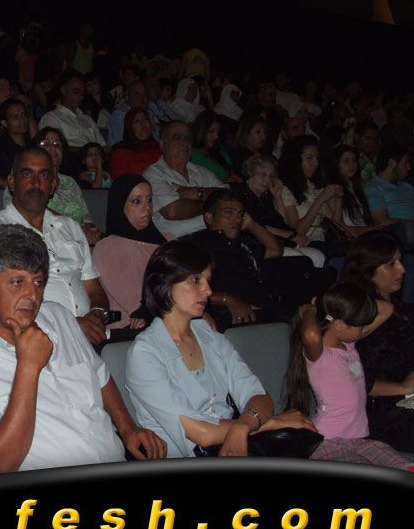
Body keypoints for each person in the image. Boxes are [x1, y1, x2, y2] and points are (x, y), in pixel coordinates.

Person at [0, 224, 167, 472]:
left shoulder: (59, 317)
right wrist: (28, 367)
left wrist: (128, 428)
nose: (33, 295)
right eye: (17, 282)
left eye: (38, 282)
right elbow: (3, 462)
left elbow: (100, 377)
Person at [125, 240, 316, 458]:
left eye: (207, 280)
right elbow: (202, 433)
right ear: (165, 284)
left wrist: (243, 426)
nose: (207, 290)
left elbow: (260, 397)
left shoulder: (209, 335)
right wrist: (268, 423)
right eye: (195, 280)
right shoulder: (145, 353)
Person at [0, 147, 110, 346]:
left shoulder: (71, 228)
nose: (36, 183)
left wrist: (97, 314)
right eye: (27, 174)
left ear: (53, 185)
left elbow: (94, 289)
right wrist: (68, 327)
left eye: (44, 175)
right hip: (25, 342)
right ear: (12, 182)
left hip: (89, 339)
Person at [286, 283, 412, 469]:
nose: (365, 330)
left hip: (360, 440)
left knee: (406, 468)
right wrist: (310, 311)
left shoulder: (349, 345)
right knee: (363, 472)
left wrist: (333, 303)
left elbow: (387, 308)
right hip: (327, 440)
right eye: (361, 326)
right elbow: (311, 335)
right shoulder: (320, 356)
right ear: (339, 325)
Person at [185, 189, 332, 331]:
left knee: (318, 276)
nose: (237, 219)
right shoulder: (198, 244)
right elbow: (183, 285)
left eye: (240, 214)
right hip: (234, 313)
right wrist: (228, 299)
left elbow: (276, 250)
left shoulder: (242, 243)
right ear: (209, 217)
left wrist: (251, 224)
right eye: (229, 213)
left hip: (263, 303)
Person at [343, 232, 414, 452]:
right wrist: (404, 387)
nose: (402, 269)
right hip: (380, 413)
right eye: (391, 264)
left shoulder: (402, 310)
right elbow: (354, 379)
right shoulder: (359, 321)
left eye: (400, 261)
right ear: (369, 272)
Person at [92, 175, 167, 331]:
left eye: (149, 200)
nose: (147, 208)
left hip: (167, 317)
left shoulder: (168, 240)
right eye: (136, 201)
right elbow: (134, 302)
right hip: (131, 326)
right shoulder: (109, 247)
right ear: (120, 206)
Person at [3, 127, 100, 243]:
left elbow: (86, 217)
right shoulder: (21, 179)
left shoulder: (70, 182)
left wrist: (91, 228)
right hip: (39, 240)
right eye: (45, 143)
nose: (52, 148)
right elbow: (18, 212)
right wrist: (77, 230)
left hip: (79, 241)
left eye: (57, 144)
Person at [235, 154, 325, 267]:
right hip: (260, 244)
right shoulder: (242, 196)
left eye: (271, 176)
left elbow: (282, 222)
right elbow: (259, 227)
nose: (267, 180)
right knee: (299, 258)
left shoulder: (265, 196)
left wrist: (278, 198)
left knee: (318, 256)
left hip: (279, 242)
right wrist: (292, 236)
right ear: (250, 174)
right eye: (262, 175)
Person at [144, 121, 226, 238]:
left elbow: (227, 197)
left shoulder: (202, 171)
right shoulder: (153, 174)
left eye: (188, 138)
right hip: (179, 240)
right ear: (162, 145)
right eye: (177, 137)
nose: (184, 142)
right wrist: (211, 203)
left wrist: (196, 192)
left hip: (213, 234)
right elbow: (173, 211)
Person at [277, 135, 342, 253]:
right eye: (309, 158)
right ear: (295, 160)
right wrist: (320, 200)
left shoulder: (312, 185)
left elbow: (337, 224)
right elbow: (297, 231)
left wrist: (338, 199)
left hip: (323, 240)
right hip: (304, 243)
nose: (315, 163)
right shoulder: (285, 188)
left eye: (317, 158)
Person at [38, 70, 106, 149]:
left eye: (82, 93)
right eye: (76, 91)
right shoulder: (52, 118)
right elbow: (52, 148)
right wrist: (85, 151)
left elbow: (103, 146)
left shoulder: (88, 119)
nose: (80, 97)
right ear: (63, 90)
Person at [364, 145, 414, 249]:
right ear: (392, 163)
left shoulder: (407, 186)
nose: (409, 168)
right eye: (405, 163)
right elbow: (381, 221)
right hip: (399, 232)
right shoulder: (373, 187)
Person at [0, 98, 30, 186]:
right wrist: (17, 187)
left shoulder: (33, 145)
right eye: (16, 117)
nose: (22, 120)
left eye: (24, 115)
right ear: (4, 123)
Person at [108, 108, 162, 180]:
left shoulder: (161, 148)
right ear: (130, 127)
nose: (143, 124)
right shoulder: (120, 152)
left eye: (145, 119)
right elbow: (121, 181)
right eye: (137, 121)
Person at [189, 110, 237, 182]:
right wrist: (225, 181)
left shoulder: (221, 153)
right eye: (211, 131)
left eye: (218, 132)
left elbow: (232, 174)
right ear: (201, 130)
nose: (216, 136)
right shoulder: (191, 155)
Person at [230, 114, 270, 179]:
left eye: (265, 132)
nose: (263, 136)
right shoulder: (238, 154)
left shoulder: (266, 154)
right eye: (258, 132)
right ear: (246, 133)